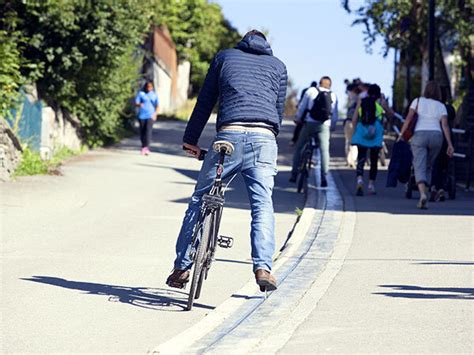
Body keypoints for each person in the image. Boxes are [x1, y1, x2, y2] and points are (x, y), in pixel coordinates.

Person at [166, 30, 287, 292]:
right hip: (264, 138)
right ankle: (263, 268)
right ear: (267, 45)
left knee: (200, 198)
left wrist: (191, 139)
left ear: (242, 42)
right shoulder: (278, 66)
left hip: (229, 136)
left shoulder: (225, 57)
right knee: (262, 205)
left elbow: (205, 101)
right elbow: (277, 114)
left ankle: (183, 266)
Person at [399, 81, 454, 209]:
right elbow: (445, 125)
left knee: (419, 165)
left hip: (420, 135)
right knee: (429, 166)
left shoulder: (417, 101)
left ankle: (423, 194)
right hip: (437, 136)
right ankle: (427, 192)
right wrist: (450, 144)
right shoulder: (441, 106)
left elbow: (408, 118)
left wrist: (401, 134)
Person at [290, 76, 337, 187]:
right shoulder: (333, 95)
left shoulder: (311, 91)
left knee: (299, 147)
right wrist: (332, 127)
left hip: (310, 123)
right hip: (324, 125)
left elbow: (302, 107)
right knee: (324, 151)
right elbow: (334, 115)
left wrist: (297, 118)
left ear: (319, 83)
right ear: (330, 85)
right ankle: (324, 176)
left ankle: (294, 174)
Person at [351, 84, 392, 196]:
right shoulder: (379, 104)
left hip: (362, 133)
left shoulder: (362, 102)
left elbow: (354, 119)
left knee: (361, 159)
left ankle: (359, 180)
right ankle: (371, 185)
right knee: (374, 160)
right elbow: (390, 115)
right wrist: (384, 102)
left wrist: (355, 131)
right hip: (376, 134)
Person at [430, 90, 456, 202]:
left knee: (433, 163)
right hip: (446, 138)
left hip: (433, 135)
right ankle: (440, 186)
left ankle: (433, 186)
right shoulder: (449, 109)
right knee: (443, 165)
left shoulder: (432, 108)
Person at [135, 81, 159, 155]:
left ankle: (146, 147)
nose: (149, 88)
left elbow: (157, 105)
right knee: (142, 132)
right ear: (145, 86)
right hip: (142, 116)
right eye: (148, 86)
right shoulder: (141, 94)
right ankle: (143, 146)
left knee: (148, 132)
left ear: (152, 87)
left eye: (151, 87)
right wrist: (139, 104)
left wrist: (155, 114)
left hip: (150, 116)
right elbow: (136, 103)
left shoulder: (154, 95)